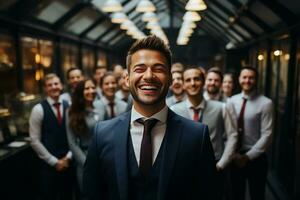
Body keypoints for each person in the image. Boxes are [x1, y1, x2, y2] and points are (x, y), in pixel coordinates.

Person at [83, 35, 217, 200]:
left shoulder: (197, 136)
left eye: (158, 69)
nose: (148, 76)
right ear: (127, 79)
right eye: (139, 69)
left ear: (169, 79)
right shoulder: (102, 135)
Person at [170, 67, 237, 199]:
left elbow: (232, 135)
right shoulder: (173, 110)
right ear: (183, 84)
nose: (193, 83)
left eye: (197, 79)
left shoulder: (221, 107)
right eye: (188, 80)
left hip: (215, 167)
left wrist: (221, 164)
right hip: (184, 171)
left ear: (204, 82)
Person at [227, 67, 273, 200]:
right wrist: (233, 155)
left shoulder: (266, 103)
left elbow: (267, 134)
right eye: (244, 77)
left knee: (257, 195)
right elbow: (227, 130)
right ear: (239, 79)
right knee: (236, 195)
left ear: (256, 80)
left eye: (251, 77)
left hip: (256, 158)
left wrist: (247, 157)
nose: (247, 80)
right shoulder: (231, 101)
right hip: (234, 157)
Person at [29, 73, 73, 200]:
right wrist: (54, 162)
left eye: (56, 84)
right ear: (45, 89)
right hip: (48, 166)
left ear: (61, 86)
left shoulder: (68, 105)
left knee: (68, 195)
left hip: (68, 162)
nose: (54, 87)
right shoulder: (38, 109)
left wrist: (68, 157)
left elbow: (74, 134)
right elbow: (34, 140)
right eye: (50, 85)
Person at [66, 79, 105, 199]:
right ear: (80, 92)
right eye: (87, 88)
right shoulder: (71, 112)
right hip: (85, 158)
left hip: (104, 157)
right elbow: (72, 143)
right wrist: (87, 164)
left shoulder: (100, 105)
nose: (91, 91)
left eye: (93, 87)